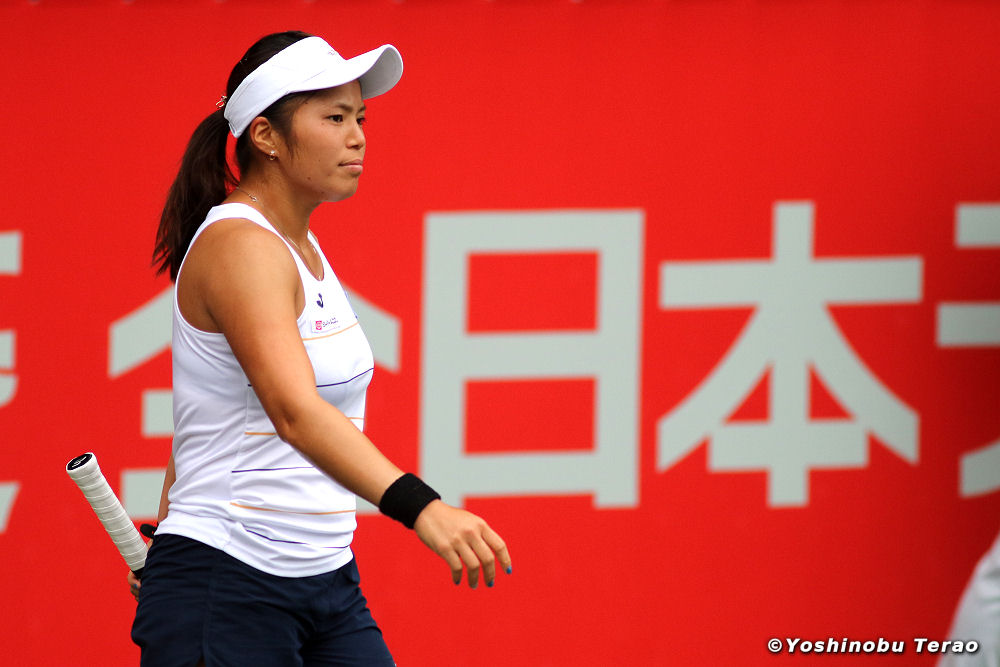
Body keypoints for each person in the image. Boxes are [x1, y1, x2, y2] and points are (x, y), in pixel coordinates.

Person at [129, 30, 511, 667]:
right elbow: (294, 411)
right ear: (266, 136)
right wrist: (423, 508)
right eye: (334, 118)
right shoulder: (241, 247)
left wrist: (166, 530)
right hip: (228, 583)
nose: (357, 136)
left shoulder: (299, 246)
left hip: (326, 580)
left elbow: (207, 416)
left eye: (360, 118)